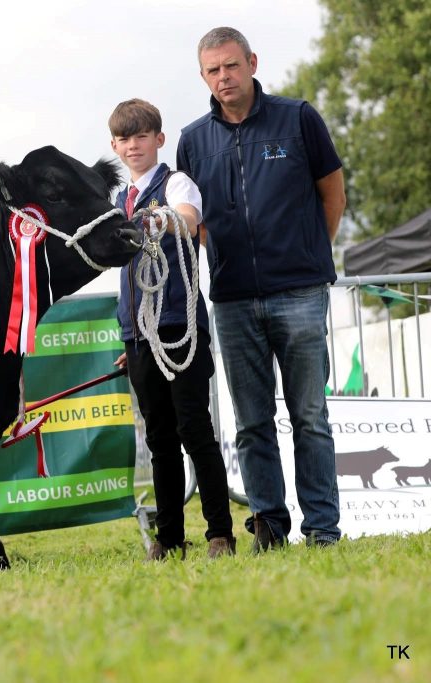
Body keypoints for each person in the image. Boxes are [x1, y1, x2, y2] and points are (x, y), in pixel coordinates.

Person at [176, 27, 347, 552]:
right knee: (251, 424)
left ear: (251, 62)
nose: (223, 77)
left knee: (310, 418)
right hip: (231, 300)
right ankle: (269, 527)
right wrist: (221, 260)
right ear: (203, 76)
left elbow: (332, 193)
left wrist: (309, 254)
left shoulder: (298, 117)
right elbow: (194, 217)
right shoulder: (192, 139)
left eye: (231, 65)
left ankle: (322, 529)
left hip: (299, 291)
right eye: (213, 70)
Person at [109, 98, 235, 560]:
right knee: (160, 439)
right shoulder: (116, 201)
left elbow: (187, 217)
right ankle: (169, 537)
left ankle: (220, 533)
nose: (133, 145)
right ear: (114, 146)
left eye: (142, 136)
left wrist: (162, 219)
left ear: (159, 139)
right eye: (125, 138)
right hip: (140, 336)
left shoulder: (176, 182)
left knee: (194, 430)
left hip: (182, 327)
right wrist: (130, 335)